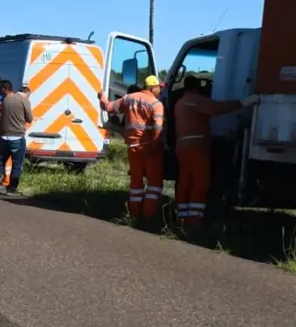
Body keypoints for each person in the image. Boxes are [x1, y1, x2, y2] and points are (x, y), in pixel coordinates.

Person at [174, 75, 259, 227]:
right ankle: (194, 221)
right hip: (196, 148)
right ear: (197, 87)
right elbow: (218, 108)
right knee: (200, 183)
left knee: (185, 182)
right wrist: (242, 102)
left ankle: (181, 217)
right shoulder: (196, 100)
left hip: (182, 147)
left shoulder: (180, 102)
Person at [98, 75, 165, 224]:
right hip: (149, 148)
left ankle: (134, 214)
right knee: (154, 184)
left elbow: (108, 107)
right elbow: (157, 128)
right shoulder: (156, 104)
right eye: (158, 88)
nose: (160, 90)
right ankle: (148, 216)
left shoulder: (128, 98)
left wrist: (102, 97)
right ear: (152, 88)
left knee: (136, 183)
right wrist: (155, 145)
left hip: (133, 148)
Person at [0, 81, 33, 195]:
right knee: (17, 164)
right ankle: (11, 189)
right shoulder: (24, 101)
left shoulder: (5, 100)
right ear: (26, 94)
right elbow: (29, 119)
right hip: (17, 136)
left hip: (4, 136)